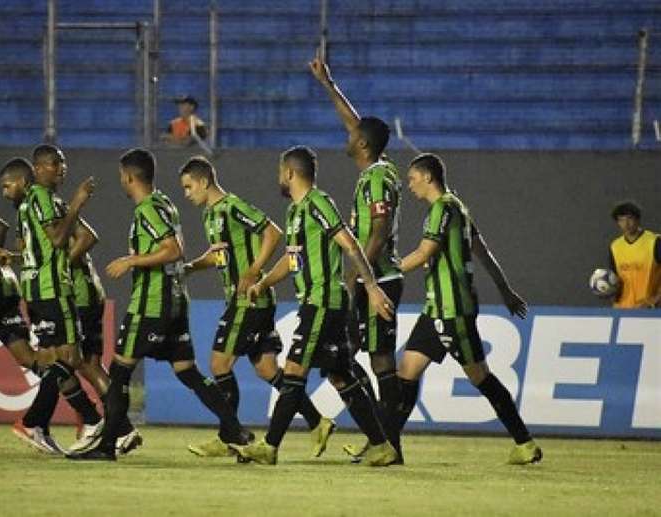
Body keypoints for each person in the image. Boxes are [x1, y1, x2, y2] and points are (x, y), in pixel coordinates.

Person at [69, 148, 250, 461]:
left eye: (121, 179)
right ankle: (235, 430)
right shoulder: (165, 202)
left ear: (129, 177)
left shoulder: (147, 210)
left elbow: (173, 249)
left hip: (151, 306)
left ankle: (107, 445)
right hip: (176, 303)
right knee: (187, 371)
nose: (122, 183)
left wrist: (131, 261)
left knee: (119, 372)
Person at [231, 146, 398, 466]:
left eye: (281, 172)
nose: (279, 178)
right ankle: (382, 445)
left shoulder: (318, 203)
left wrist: (373, 288)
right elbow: (292, 258)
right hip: (321, 303)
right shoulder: (295, 211)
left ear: (290, 173)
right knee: (341, 376)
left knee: (294, 371)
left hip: (322, 302)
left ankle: (269, 446)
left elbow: (349, 243)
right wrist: (264, 282)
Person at [179, 155, 336, 458]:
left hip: (248, 301)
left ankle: (231, 436)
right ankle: (319, 422)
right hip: (250, 301)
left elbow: (273, 232)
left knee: (218, 365)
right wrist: (192, 267)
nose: (187, 194)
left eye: (188, 187)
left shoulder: (232, 206)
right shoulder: (210, 215)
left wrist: (254, 271)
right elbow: (219, 255)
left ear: (203, 181)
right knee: (267, 369)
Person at [393, 153, 542, 465]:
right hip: (435, 309)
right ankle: (388, 446)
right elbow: (483, 251)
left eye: (412, 179)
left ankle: (524, 441)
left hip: (452, 310)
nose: (409, 186)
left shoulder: (442, 208)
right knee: (406, 370)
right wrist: (505, 291)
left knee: (479, 377)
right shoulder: (458, 207)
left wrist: (382, 274)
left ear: (428, 177)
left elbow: (424, 252)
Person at [309, 56, 404, 462]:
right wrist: (329, 84)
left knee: (380, 362)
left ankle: (389, 444)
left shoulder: (379, 177)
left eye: (353, 135)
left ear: (363, 145)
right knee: (350, 357)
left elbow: (380, 233)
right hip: (370, 279)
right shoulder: (374, 168)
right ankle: (380, 436)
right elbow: (355, 122)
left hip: (378, 280)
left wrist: (362, 279)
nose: (347, 136)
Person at [9, 146, 103, 455]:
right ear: (38, 169)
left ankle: (46, 423)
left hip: (38, 290)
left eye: (63, 162)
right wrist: (77, 202)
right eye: (54, 163)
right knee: (71, 359)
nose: (61, 168)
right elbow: (59, 239)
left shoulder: (31, 202)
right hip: (52, 290)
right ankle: (75, 420)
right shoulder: (42, 198)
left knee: (54, 359)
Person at [608, 201, 661, 308]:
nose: (626, 224)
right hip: (621, 310)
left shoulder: (654, 242)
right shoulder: (615, 246)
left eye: (629, 218)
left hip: (648, 309)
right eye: (621, 220)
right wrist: (607, 290)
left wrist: (654, 301)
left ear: (638, 220)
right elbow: (614, 278)